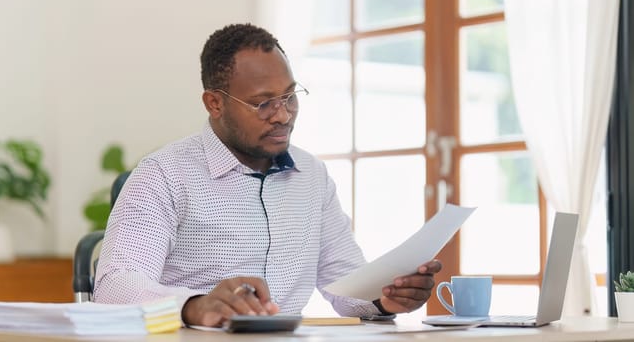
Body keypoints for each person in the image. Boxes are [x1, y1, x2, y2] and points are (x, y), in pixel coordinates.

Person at [93, 23, 441, 327]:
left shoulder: (312, 177)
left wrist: (384, 299)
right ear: (215, 103)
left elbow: (345, 284)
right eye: (263, 103)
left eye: (290, 96)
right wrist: (195, 306)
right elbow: (114, 288)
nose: (283, 115)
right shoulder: (164, 175)